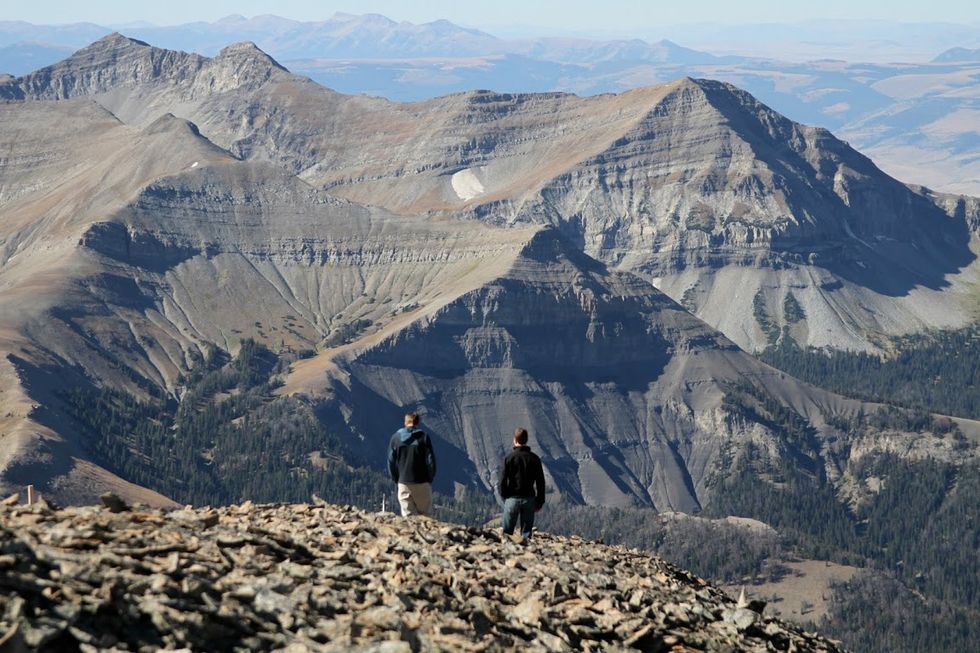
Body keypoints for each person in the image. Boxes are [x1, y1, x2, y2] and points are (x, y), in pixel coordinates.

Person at [498, 427, 546, 541]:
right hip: (529, 499)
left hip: (512, 498)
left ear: (515, 440)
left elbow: (502, 480)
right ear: (526, 440)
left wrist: (505, 496)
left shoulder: (509, 458)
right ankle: (525, 550)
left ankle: (507, 550)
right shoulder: (534, 459)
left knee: (507, 534)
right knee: (526, 535)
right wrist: (539, 502)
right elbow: (540, 482)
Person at [387, 412, 437, 517]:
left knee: (408, 518)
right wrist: (430, 478)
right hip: (422, 482)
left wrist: (396, 478)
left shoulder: (396, 438)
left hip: (403, 482)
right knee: (425, 517)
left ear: (405, 422)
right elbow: (431, 461)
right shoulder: (424, 437)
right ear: (418, 423)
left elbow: (391, 461)